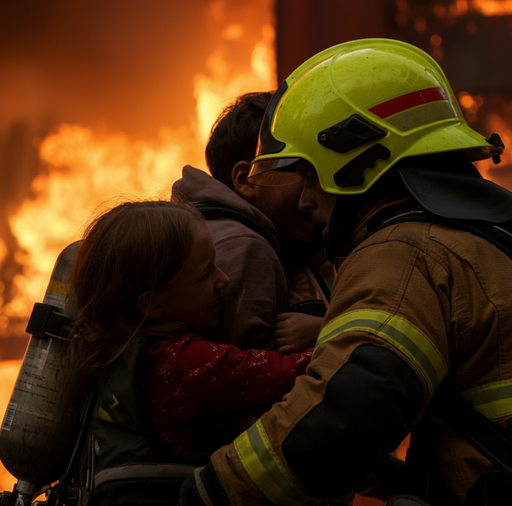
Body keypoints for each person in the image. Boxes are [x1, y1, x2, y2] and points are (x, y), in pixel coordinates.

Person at [177, 39, 512, 506]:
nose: (307, 200)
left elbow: (344, 416)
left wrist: (212, 490)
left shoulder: (407, 251)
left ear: (360, 159)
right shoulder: (488, 240)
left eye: (311, 174)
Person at [68, 199, 313, 505]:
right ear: (153, 305)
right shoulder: (183, 365)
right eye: (204, 275)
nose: (223, 279)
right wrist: (323, 327)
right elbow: (289, 373)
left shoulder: (116, 354)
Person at [172, 92, 331, 354]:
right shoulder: (247, 249)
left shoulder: (207, 228)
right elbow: (253, 380)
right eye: (306, 174)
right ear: (246, 180)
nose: (320, 191)